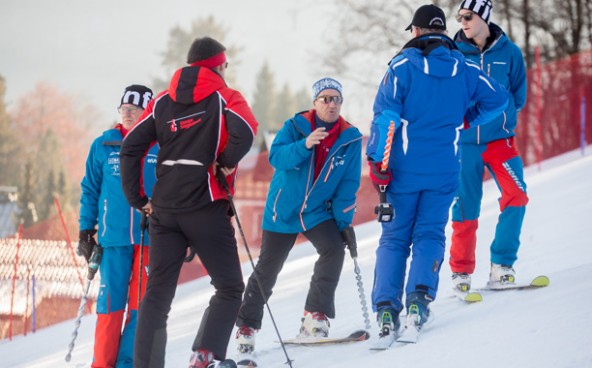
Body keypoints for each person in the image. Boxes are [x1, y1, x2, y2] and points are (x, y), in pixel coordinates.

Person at [366, 4, 509, 342]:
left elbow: (385, 118)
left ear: (415, 31)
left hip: (403, 170)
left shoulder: (402, 67)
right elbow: (499, 100)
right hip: (444, 168)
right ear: (442, 31)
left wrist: (378, 165)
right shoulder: (465, 66)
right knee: (429, 234)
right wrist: (466, 119)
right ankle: (419, 301)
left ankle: (387, 308)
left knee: (395, 237)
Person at [119, 36, 258, 368]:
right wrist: (224, 159)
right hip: (206, 206)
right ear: (219, 65)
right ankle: (205, 356)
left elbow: (130, 148)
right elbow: (248, 131)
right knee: (229, 287)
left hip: (164, 211)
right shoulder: (226, 96)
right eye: (225, 65)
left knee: (156, 297)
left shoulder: (163, 100)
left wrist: (138, 199)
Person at [234, 77, 362, 354]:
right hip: (284, 209)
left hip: (316, 211)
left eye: (336, 99)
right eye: (325, 99)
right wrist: (304, 145)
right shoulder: (295, 127)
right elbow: (276, 158)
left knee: (333, 250)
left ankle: (315, 316)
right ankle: (246, 326)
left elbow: (348, 185)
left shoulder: (349, 138)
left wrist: (343, 223)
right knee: (268, 268)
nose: (331, 104)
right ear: (315, 103)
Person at [449, 0, 529, 292]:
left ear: (483, 17)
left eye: (468, 16)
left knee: (517, 194)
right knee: (465, 206)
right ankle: (461, 272)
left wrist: (502, 118)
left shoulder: (510, 53)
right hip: (465, 144)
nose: (463, 22)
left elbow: (517, 96)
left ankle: (502, 265)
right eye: (459, 17)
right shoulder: (453, 54)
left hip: (500, 141)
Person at [78, 84, 156, 368]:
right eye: (123, 109)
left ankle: (127, 363)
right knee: (110, 307)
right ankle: (102, 364)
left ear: (148, 112)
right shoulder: (104, 145)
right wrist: (86, 230)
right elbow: (89, 189)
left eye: (133, 110)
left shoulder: (162, 145)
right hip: (113, 241)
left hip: (150, 240)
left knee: (141, 309)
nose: (127, 114)